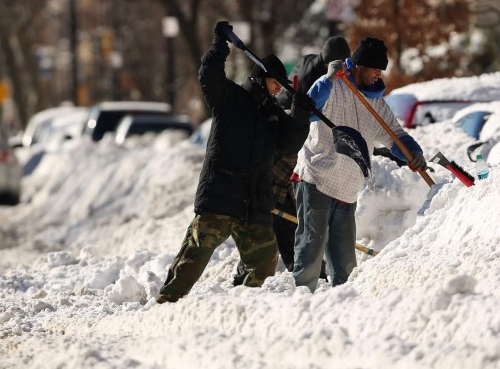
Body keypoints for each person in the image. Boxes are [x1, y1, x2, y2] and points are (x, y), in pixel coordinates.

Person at [156, 21, 314, 304]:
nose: (278, 88)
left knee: (265, 259)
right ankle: (168, 301)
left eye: (281, 84)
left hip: (253, 202)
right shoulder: (231, 98)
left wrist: (301, 115)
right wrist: (219, 45)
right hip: (221, 195)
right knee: (195, 255)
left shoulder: (273, 115)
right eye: (274, 81)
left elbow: (289, 143)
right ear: (260, 77)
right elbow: (208, 75)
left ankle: (244, 303)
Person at [292, 36, 427, 293]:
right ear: (358, 67)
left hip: (347, 189)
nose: (378, 75)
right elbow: (308, 109)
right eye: (374, 69)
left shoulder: (377, 104)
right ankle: (301, 305)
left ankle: (344, 306)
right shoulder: (335, 87)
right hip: (316, 178)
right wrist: (329, 78)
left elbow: (395, 135)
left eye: (381, 70)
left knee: (345, 263)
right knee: (310, 250)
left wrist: (413, 153)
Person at [233, 37, 351, 285]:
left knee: (289, 224)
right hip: (280, 163)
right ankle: (246, 277)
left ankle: (309, 275)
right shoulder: (313, 80)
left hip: (291, 160)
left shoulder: (316, 69)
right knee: (267, 228)